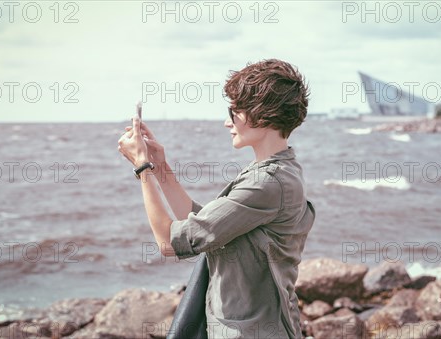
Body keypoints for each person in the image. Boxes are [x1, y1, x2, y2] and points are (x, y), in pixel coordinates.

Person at [118, 59, 315, 338]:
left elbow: (168, 241)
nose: (227, 122)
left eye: (234, 112)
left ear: (263, 114)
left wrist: (142, 168)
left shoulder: (269, 182)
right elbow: (204, 224)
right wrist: (160, 166)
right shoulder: (276, 172)